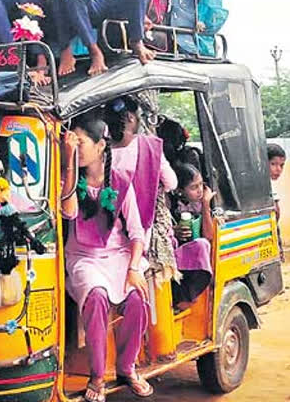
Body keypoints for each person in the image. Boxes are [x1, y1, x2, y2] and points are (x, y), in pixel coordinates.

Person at [61, 115, 154, 401]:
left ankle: (127, 368)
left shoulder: (121, 182)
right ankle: (97, 376)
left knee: (138, 298)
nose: (77, 147)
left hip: (120, 256)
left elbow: (137, 232)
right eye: (73, 141)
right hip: (83, 258)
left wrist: (134, 268)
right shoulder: (69, 179)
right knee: (97, 296)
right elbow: (69, 213)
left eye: (81, 142)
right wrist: (68, 161)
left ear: (101, 145)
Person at [104, 96, 180, 286]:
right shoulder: (150, 146)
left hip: (106, 236)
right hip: (143, 236)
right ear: (131, 118)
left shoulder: (99, 149)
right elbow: (171, 183)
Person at [169, 163, 216, 309]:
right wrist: (174, 231)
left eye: (201, 185)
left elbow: (208, 235)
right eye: (193, 187)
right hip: (177, 257)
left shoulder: (202, 204)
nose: (200, 190)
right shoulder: (171, 205)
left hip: (196, 257)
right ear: (180, 191)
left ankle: (188, 296)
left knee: (203, 245)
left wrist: (206, 204)